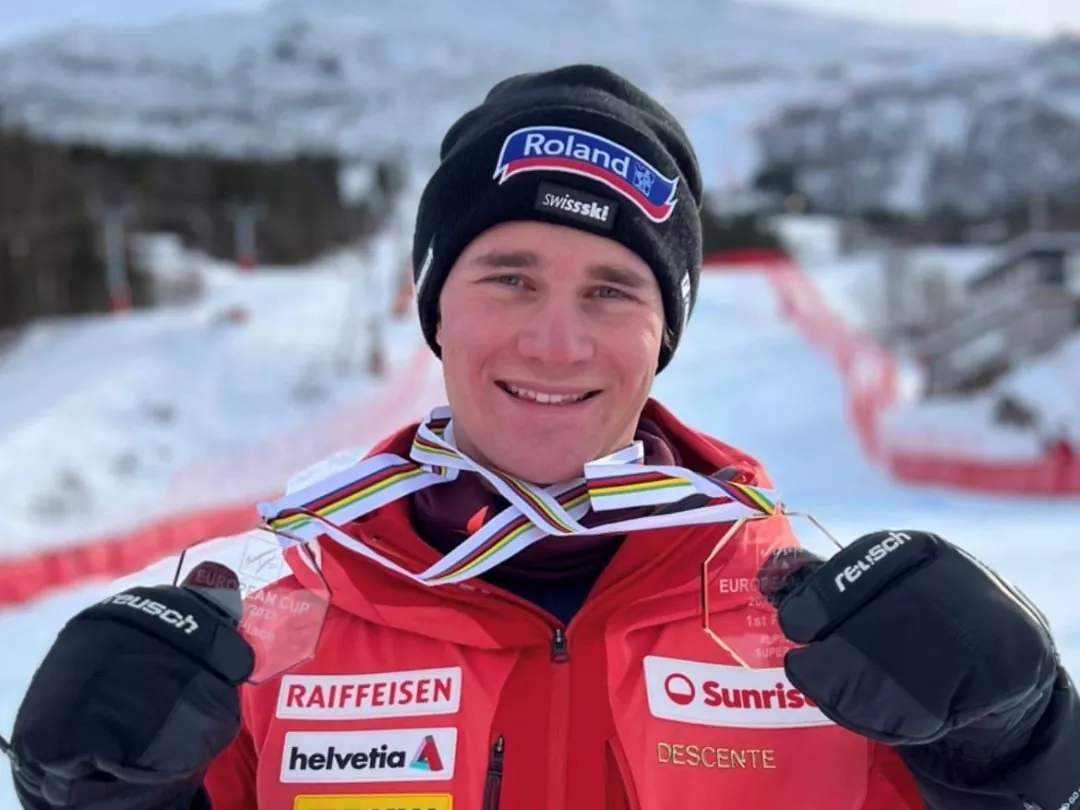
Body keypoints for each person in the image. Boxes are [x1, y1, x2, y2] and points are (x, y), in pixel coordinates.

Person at [8, 64, 1080, 810]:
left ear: (665, 336)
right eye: (509, 276)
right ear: (436, 306)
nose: (557, 341)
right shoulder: (268, 633)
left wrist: (1018, 745)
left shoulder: (808, 628)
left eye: (614, 290)